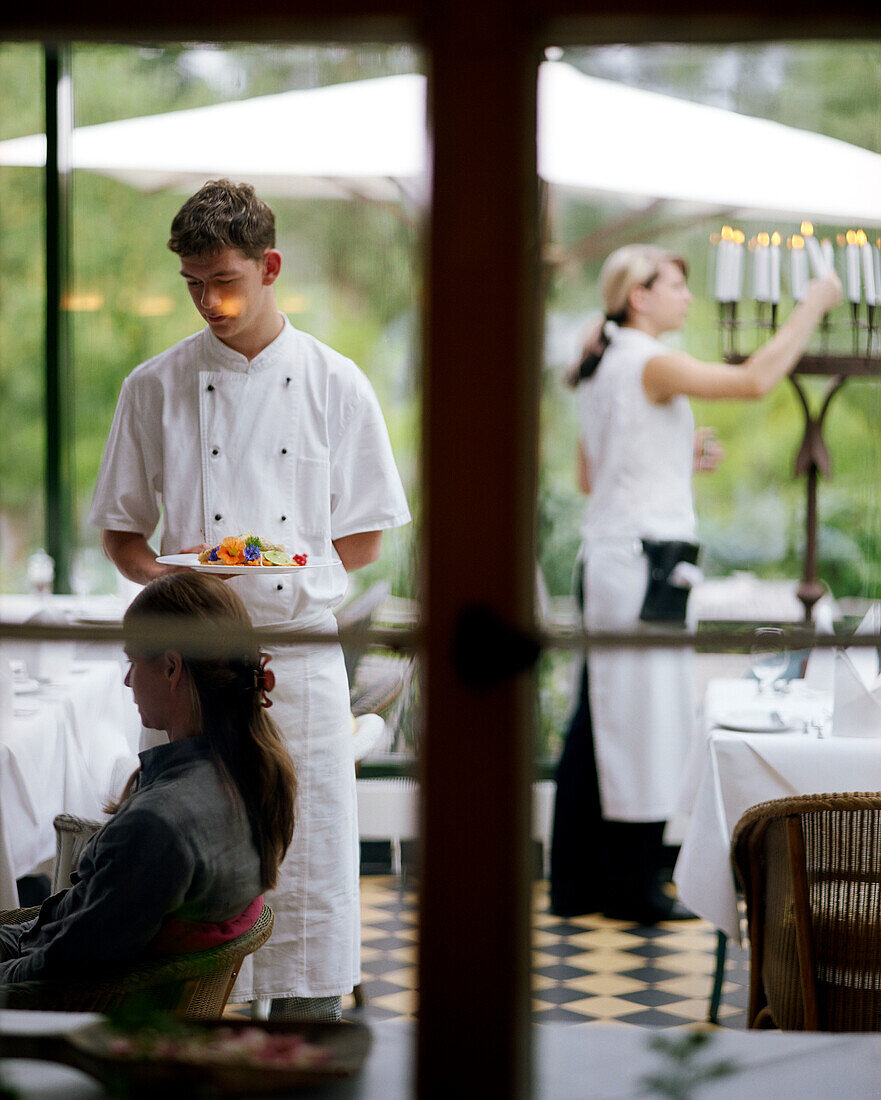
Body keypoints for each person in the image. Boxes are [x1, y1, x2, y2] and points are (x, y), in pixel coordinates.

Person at [87, 180, 411, 1021]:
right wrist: (166, 580)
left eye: (224, 279)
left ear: (270, 267)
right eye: (192, 283)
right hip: (190, 665)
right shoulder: (153, 386)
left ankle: (305, 1039)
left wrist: (289, 578)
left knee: (304, 872)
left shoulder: (338, 384)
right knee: (186, 869)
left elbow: (366, 535)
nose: (208, 300)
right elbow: (121, 532)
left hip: (298, 663)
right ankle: (187, 1040)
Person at [550, 243, 841, 924]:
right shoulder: (648, 360)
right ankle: (630, 884)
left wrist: (673, 458)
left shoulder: (607, 364)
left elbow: (592, 477)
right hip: (640, 563)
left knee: (604, 717)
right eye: (675, 284)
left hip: (618, 556)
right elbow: (754, 382)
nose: (686, 296)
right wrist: (812, 305)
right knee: (639, 718)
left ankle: (583, 881)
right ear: (638, 296)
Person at [0, 572, 297, 984]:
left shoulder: (157, 825)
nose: (127, 680)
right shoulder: (248, 775)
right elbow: (61, 935)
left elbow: (56, 970)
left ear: (172, 667)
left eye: (132, 662)